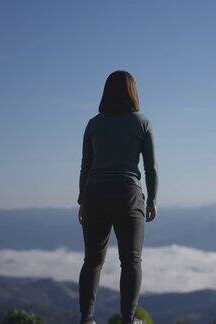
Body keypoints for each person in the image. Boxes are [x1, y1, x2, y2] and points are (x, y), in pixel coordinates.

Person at [77, 70, 158, 324]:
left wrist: (82, 199)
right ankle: (128, 320)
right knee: (131, 260)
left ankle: (87, 319)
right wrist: (153, 200)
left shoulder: (93, 124)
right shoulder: (142, 123)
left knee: (92, 261)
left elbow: (85, 166)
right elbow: (150, 168)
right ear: (133, 92)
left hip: (94, 195)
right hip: (127, 196)